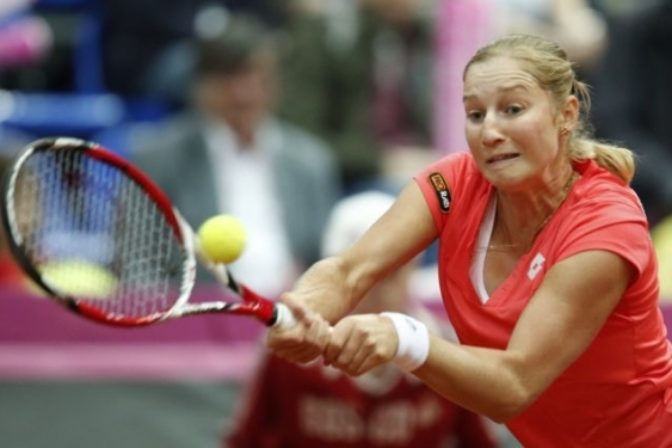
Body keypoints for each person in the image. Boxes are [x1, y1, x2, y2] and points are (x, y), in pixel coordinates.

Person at [266, 34, 672, 447]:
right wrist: (303, 310)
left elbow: (513, 385)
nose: (489, 131)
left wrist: (402, 336)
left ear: (565, 114)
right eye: (475, 114)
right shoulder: (450, 186)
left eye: (513, 109)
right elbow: (349, 270)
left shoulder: (606, 225)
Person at [225, 191, 498, 448]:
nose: (381, 285)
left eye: (395, 268)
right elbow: (244, 440)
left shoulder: (448, 348)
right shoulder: (288, 351)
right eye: (363, 274)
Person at [131, 13, 341, 297]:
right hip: (200, 315)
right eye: (232, 78)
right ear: (202, 85)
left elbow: (329, 258)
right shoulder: (158, 160)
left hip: (294, 311)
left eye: (259, 78)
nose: (246, 93)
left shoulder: (311, 161)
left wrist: (308, 292)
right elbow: (139, 270)